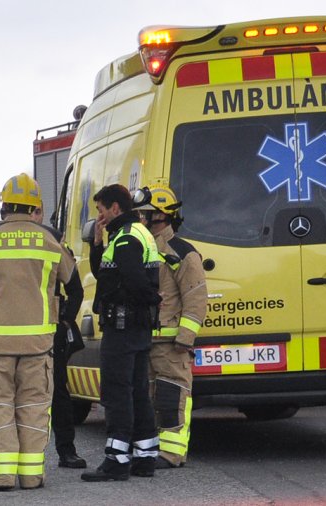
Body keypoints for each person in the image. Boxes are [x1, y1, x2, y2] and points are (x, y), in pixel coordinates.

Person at [0, 173, 81, 491]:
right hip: (39, 343)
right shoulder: (50, 238)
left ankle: (0, 473)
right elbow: (74, 285)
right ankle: (30, 474)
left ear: (4, 205)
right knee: (34, 406)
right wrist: (63, 319)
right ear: (34, 207)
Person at [81, 184, 162, 482]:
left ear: (116, 208)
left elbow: (134, 280)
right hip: (137, 328)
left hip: (123, 327)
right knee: (138, 391)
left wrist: (151, 300)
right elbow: (106, 273)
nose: (99, 216)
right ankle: (145, 457)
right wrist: (98, 244)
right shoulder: (138, 233)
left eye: (101, 210)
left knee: (117, 393)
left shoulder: (127, 238)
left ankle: (116, 461)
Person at [133, 185, 207, 469]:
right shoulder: (143, 249)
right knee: (147, 397)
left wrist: (185, 338)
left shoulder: (182, 253)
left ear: (161, 217)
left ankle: (172, 452)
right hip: (145, 340)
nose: (142, 219)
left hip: (171, 343)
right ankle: (151, 449)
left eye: (146, 214)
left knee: (170, 396)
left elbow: (195, 297)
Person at [31, 205, 87, 469]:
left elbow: (75, 289)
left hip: (50, 331)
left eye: (35, 212)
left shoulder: (53, 242)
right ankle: (20, 455)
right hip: (17, 332)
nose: (32, 218)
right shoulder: (0, 240)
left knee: (58, 392)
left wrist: (65, 319)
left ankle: (66, 450)